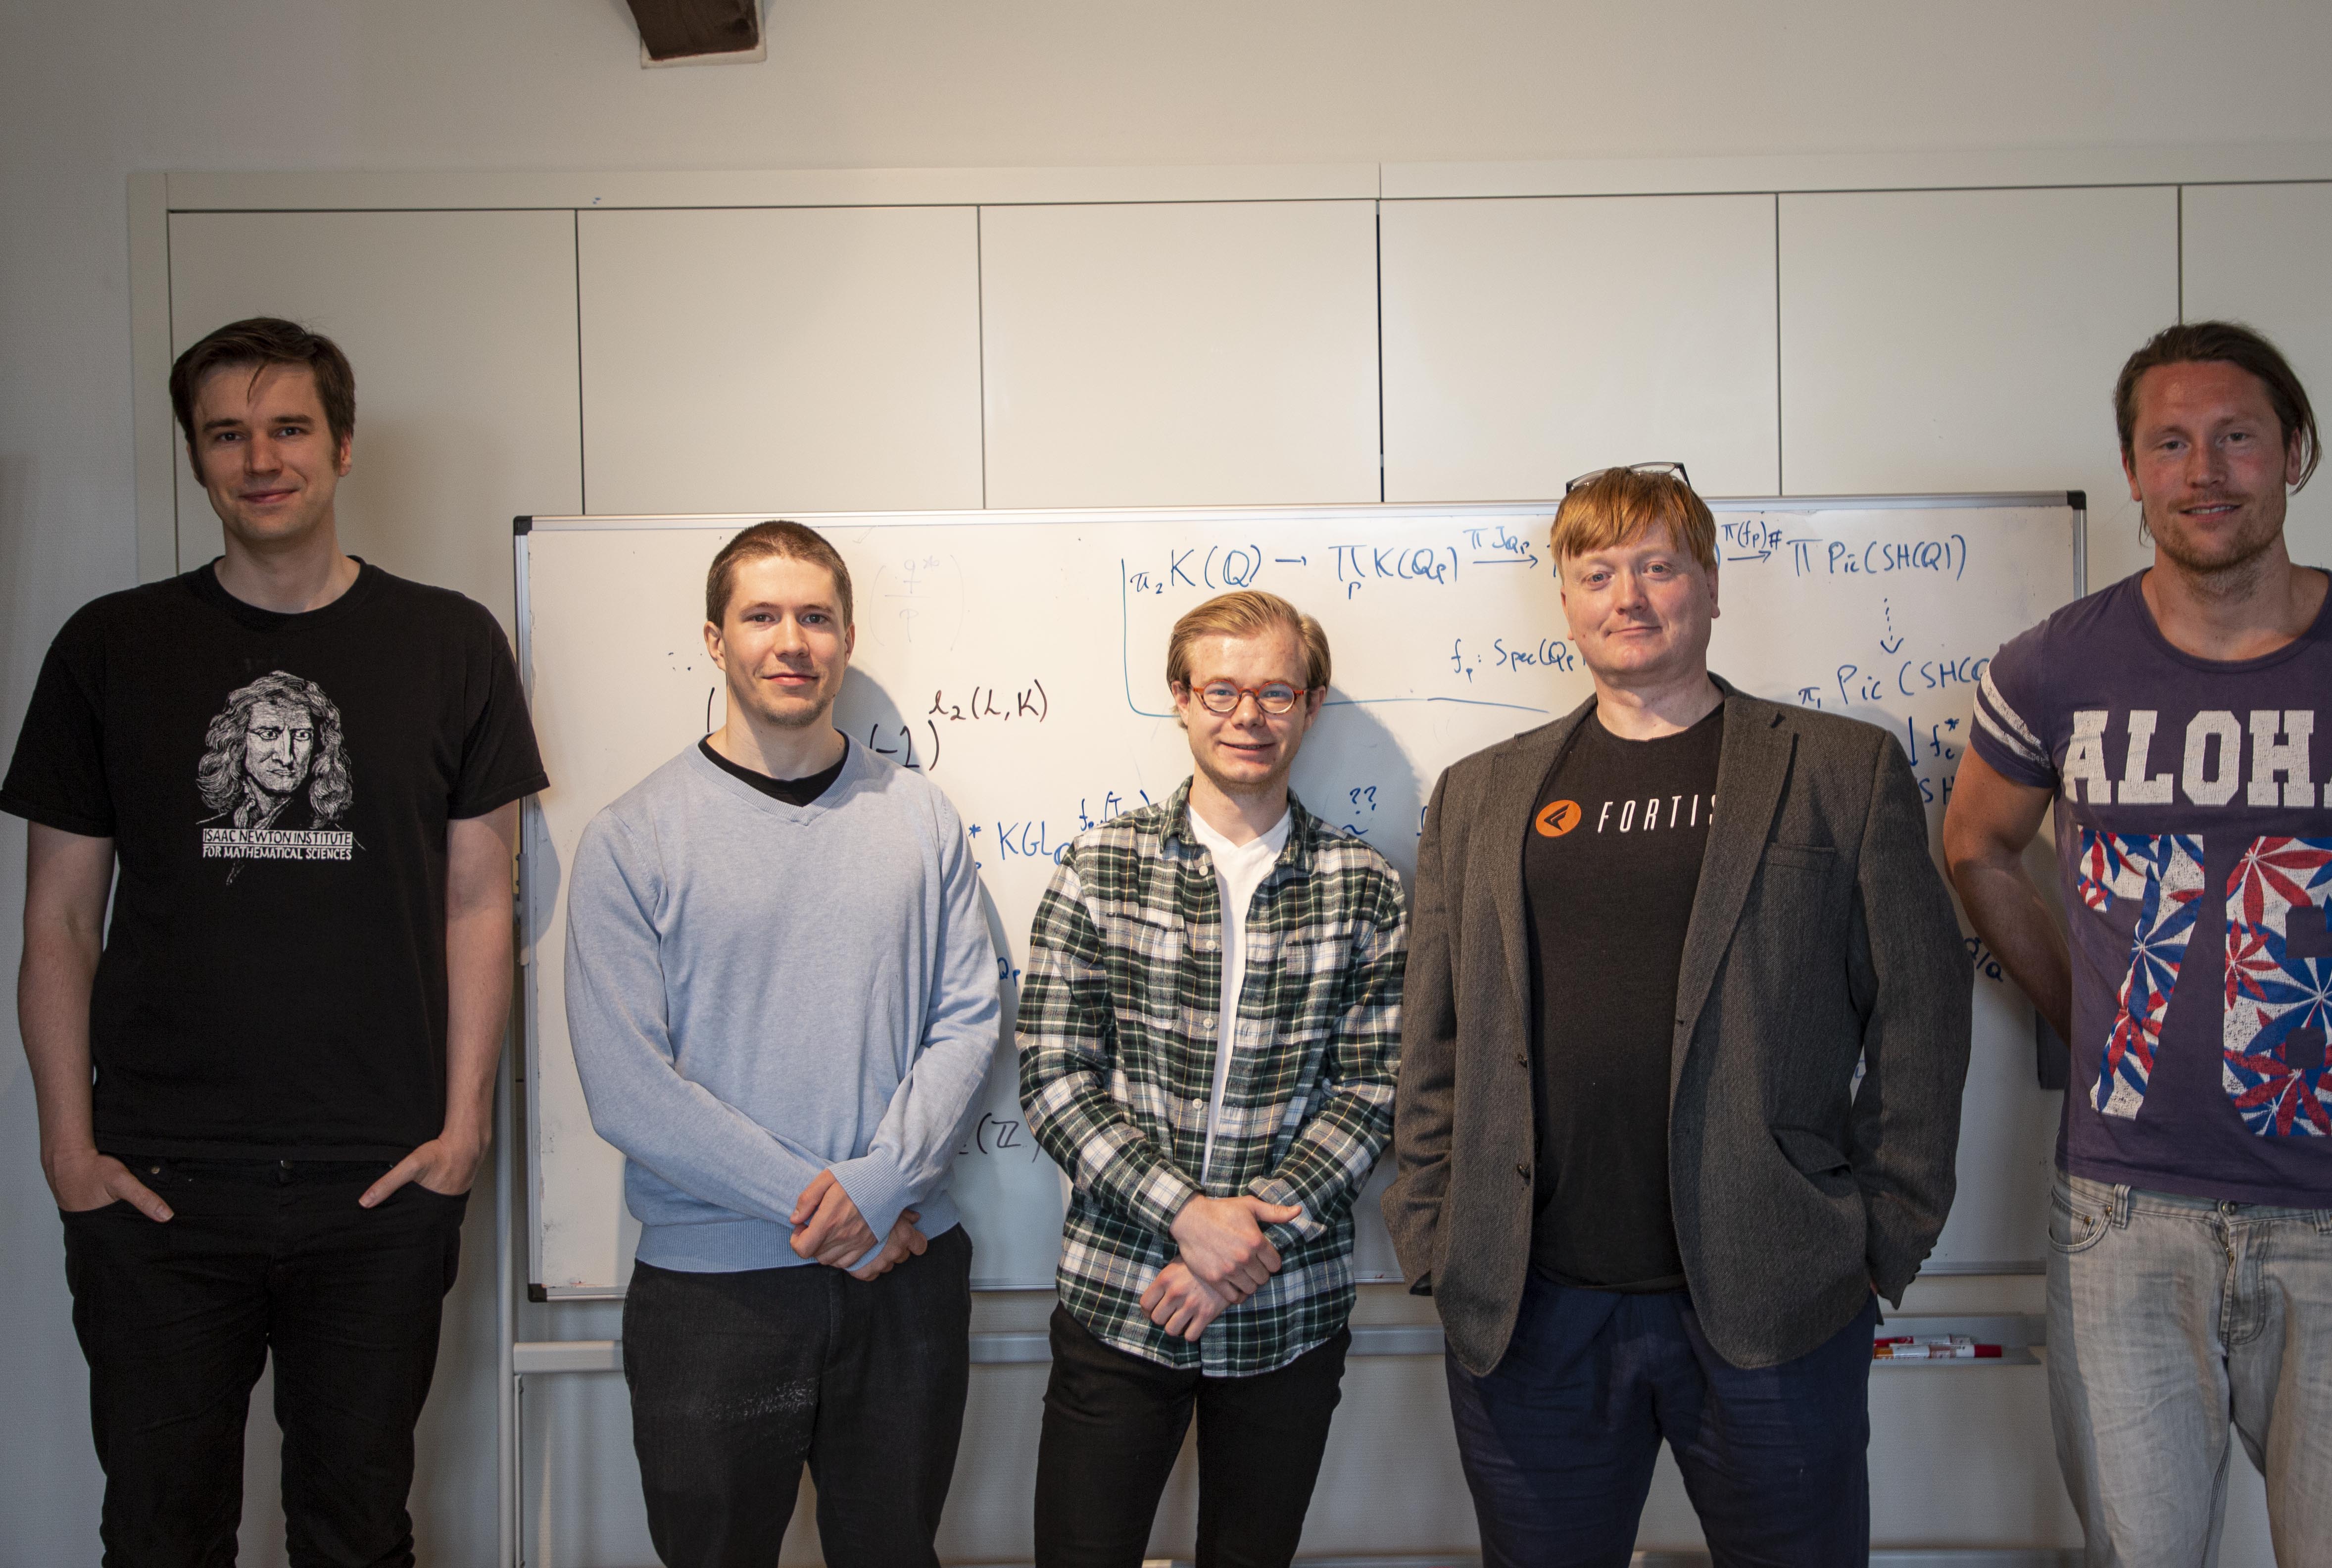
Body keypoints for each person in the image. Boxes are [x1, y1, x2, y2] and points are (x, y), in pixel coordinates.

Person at [1945, 321, 2332, 1568]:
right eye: (2168, 442)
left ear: (2293, 453)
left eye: (2237, 436)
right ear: (2131, 471)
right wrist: (2091, 1009)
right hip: (2120, 1222)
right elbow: (1974, 844)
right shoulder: (2054, 668)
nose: (2205, 470)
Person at [6, 317, 547, 1566]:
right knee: (158, 1531)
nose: (262, 457)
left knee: (356, 1531)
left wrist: (463, 1131)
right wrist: (68, 1151)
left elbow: (483, 900)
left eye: (290, 427)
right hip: (156, 1185)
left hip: (381, 1182)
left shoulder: (451, 642)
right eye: (228, 434)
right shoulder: (110, 647)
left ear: (343, 446)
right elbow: (58, 918)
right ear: (197, 461)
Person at [1384, 462, 1972, 1567]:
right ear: (1564, 598)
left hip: (1774, 1299)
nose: (1629, 595)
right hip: (1529, 1311)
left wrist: (1878, 1238)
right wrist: (1433, 1232)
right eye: (1596, 570)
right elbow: (1435, 1037)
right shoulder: (1481, 792)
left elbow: (1922, 1022)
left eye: (1658, 565)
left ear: (1710, 584)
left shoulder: (1837, 770)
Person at [564, 520, 1000, 1568]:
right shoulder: (634, 837)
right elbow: (630, 1089)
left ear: (846, 640)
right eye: (761, 616)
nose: (790, 640)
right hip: (714, 1299)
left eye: (815, 617)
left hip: (905, 1277)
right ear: (714, 641)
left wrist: (884, 1185)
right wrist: (841, 1212)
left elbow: (970, 1013)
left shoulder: (921, 819)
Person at [1018, 588, 1407, 1568]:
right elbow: (1055, 1073)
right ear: (1180, 699)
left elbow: (1375, 1085)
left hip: (1288, 1308)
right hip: (1122, 1296)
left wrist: (1247, 1234)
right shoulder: (1100, 866)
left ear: (1311, 706)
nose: (1248, 714)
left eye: (1276, 690)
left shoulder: (1363, 884)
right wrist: (1189, 1217)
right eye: (1222, 689)